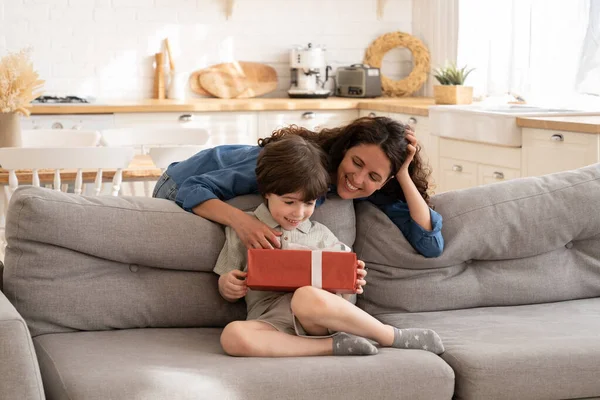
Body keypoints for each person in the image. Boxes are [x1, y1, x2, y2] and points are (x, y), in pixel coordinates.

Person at [213, 135, 444, 357]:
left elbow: (344, 293)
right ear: (267, 193)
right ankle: (332, 346)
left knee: (304, 296)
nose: (299, 213)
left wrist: (351, 281)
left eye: (308, 204)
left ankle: (388, 335)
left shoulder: (321, 235)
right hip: (271, 323)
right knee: (232, 336)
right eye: (289, 202)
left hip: (315, 318)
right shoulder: (243, 228)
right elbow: (226, 282)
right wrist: (229, 285)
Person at [153, 116, 444, 258]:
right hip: (179, 181)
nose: (358, 179)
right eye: (356, 162)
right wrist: (243, 222)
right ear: (344, 150)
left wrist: (403, 174)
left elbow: (430, 244)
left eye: (374, 176)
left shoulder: (373, 186)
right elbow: (193, 187)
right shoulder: (297, 163)